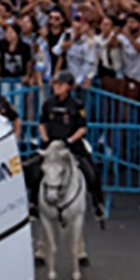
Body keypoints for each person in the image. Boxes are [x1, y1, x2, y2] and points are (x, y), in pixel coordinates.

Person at [39, 71, 105, 220]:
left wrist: (70, 140)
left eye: (61, 85)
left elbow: (82, 128)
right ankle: (33, 205)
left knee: (91, 172)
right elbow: (42, 123)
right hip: (52, 143)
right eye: (56, 84)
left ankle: (98, 204)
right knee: (36, 170)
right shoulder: (48, 103)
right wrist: (46, 139)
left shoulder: (76, 105)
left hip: (71, 143)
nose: (57, 87)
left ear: (68, 87)